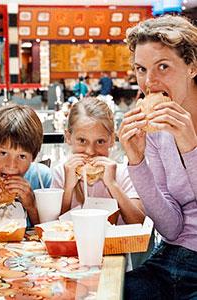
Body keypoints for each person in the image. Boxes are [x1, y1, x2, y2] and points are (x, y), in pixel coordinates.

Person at [118, 15, 197, 299]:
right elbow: (171, 227)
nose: (149, 82)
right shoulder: (155, 131)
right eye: (141, 69)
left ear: (192, 66)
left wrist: (191, 148)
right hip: (170, 256)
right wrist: (137, 162)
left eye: (163, 66)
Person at [52, 97, 145, 225]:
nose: (90, 151)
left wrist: (112, 185)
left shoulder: (124, 173)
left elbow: (140, 223)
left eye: (100, 142)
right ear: (68, 137)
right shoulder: (61, 174)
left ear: (112, 140)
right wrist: (68, 188)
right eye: (82, 141)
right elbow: (53, 228)